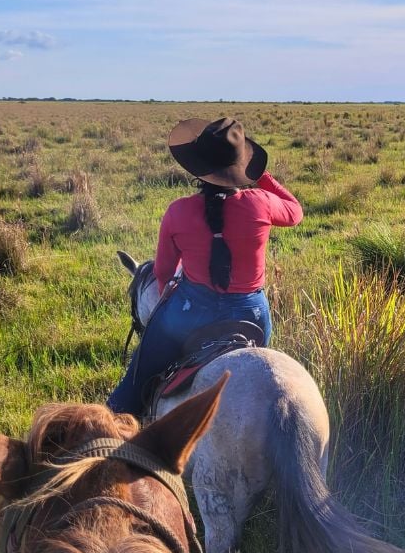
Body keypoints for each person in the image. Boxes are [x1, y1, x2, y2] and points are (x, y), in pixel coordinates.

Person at [108, 116, 303, 416]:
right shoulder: (262, 203)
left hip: (191, 312)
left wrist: (169, 296)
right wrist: (260, 175)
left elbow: (163, 272)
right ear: (241, 167)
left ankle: (113, 423)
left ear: (197, 167)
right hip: (252, 315)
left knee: (134, 383)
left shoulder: (178, 211)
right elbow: (295, 211)